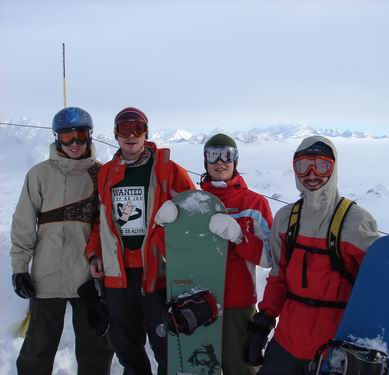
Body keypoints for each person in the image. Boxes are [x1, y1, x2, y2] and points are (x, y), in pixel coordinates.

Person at [245, 135, 389, 374]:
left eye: (322, 164)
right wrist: (265, 319)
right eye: (303, 165)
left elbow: (382, 275)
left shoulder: (355, 222)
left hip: (333, 349)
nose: (312, 173)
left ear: (333, 169)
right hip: (287, 342)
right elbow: (279, 276)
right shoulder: (285, 219)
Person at [85, 107, 195, 375]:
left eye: (138, 128)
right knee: (127, 349)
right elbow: (102, 220)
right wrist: (94, 253)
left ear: (147, 133)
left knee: (167, 346)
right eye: (124, 129)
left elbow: (194, 209)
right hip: (118, 275)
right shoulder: (107, 173)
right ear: (115, 135)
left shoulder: (166, 170)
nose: (131, 135)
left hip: (156, 274)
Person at [154, 133, 273, 375]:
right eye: (213, 155)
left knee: (239, 368)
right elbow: (174, 256)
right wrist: (160, 228)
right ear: (205, 161)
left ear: (235, 160)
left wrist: (240, 238)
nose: (220, 161)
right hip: (197, 302)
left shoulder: (254, 204)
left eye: (227, 155)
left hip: (236, 304)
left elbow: (270, 258)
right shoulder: (193, 203)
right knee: (197, 367)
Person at [10, 107, 114, 375]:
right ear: (57, 138)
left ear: (90, 136)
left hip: (88, 276)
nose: (75, 143)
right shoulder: (39, 175)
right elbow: (23, 224)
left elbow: (109, 225)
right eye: (68, 137)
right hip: (47, 276)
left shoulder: (102, 174)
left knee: (95, 348)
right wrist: (20, 268)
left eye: (81, 135)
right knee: (38, 348)